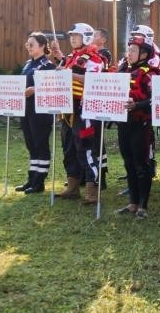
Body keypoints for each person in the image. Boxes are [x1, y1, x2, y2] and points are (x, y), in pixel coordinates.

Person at [51, 23, 105, 204]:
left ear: (86, 37)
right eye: (71, 35)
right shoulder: (71, 57)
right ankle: (72, 187)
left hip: (84, 110)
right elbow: (63, 71)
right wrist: (57, 57)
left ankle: (92, 190)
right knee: (68, 148)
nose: (72, 38)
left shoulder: (94, 59)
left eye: (76, 35)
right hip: (67, 110)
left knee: (85, 149)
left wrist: (68, 74)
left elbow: (94, 80)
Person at [115, 36, 157, 219]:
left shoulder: (150, 74)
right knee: (128, 163)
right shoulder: (122, 70)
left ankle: (143, 206)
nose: (129, 53)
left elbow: (156, 99)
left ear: (144, 54)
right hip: (123, 123)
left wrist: (138, 105)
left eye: (133, 50)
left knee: (141, 164)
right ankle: (132, 203)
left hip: (141, 125)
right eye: (128, 50)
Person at [15, 32, 56, 194]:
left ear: (42, 46)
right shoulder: (27, 64)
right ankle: (31, 179)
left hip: (41, 113)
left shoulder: (48, 65)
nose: (28, 47)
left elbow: (53, 88)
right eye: (27, 44)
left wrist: (35, 89)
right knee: (31, 145)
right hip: (26, 110)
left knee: (40, 145)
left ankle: (39, 182)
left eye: (31, 44)